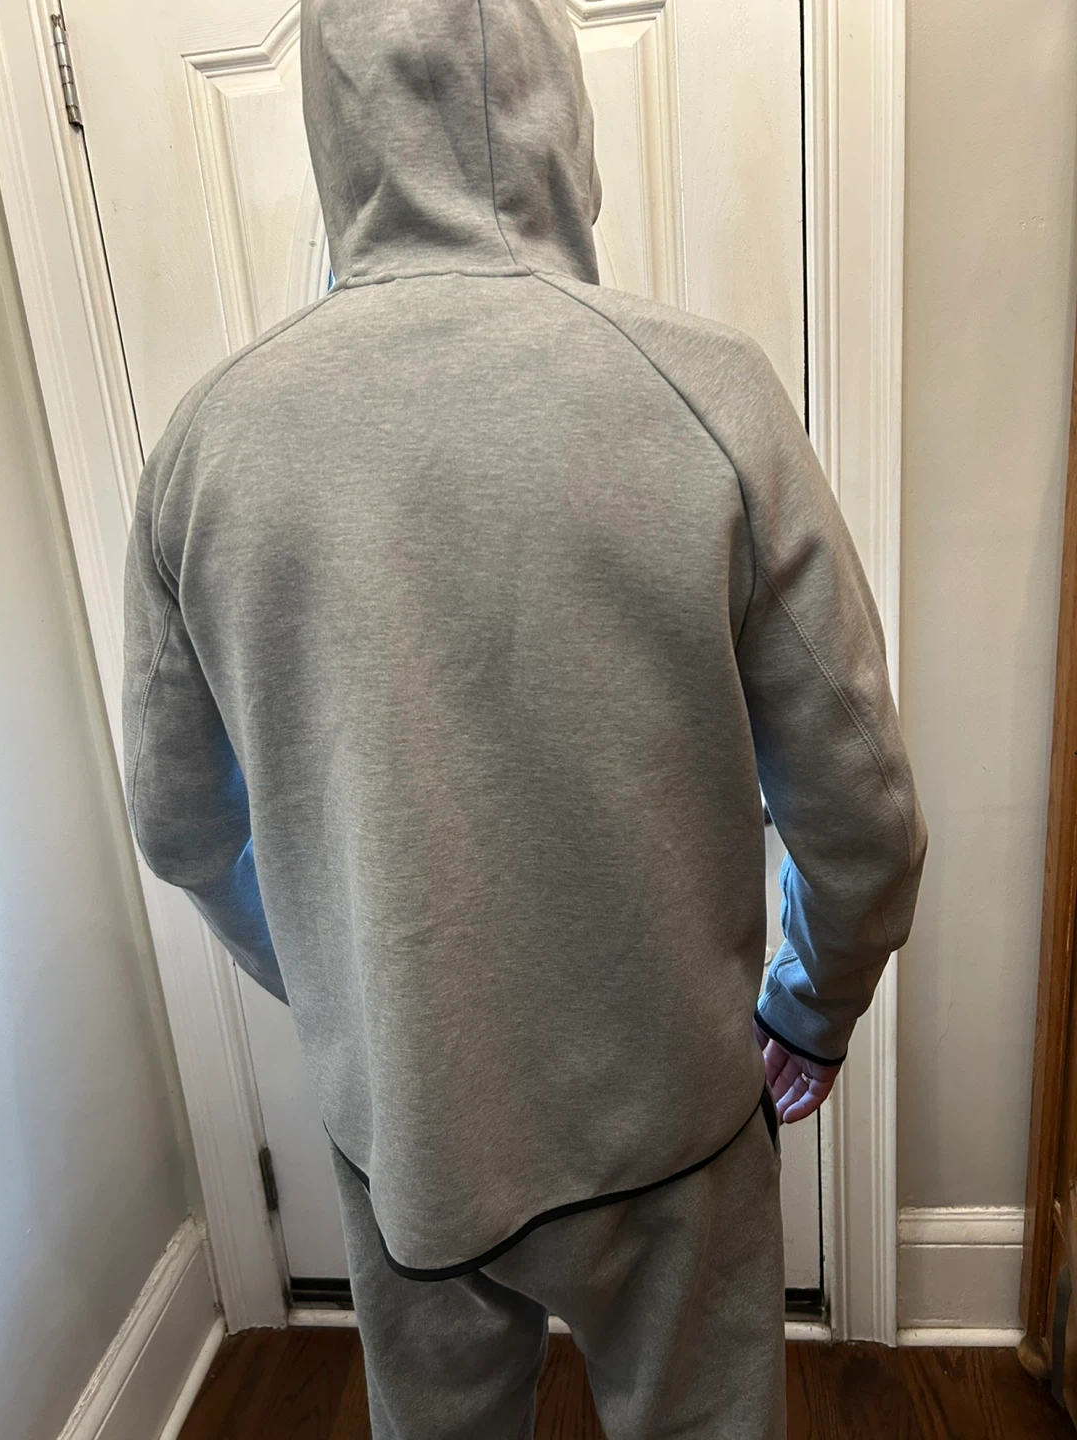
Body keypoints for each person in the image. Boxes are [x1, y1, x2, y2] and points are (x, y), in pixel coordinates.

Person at [121, 1, 927, 1435]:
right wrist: (812, 1010)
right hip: (673, 1123)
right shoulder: (706, 393)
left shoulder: (210, 444)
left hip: (411, 1131)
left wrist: (354, 997)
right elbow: (863, 805)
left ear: (334, 126)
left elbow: (181, 825)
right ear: (565, 116)